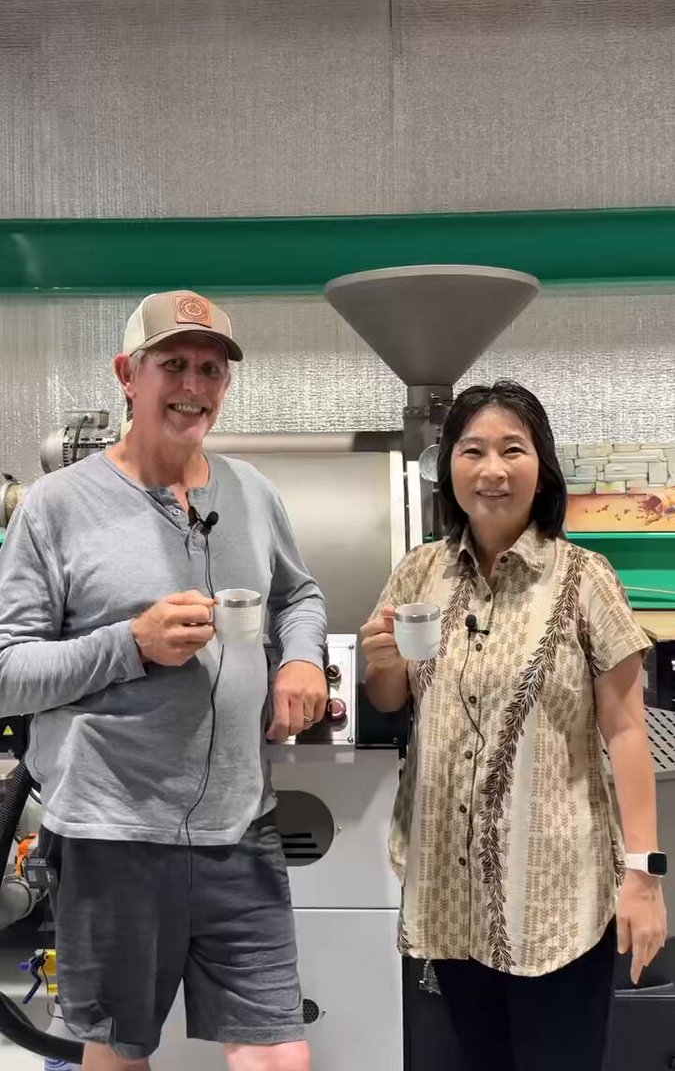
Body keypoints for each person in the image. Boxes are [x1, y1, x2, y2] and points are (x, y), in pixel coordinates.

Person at [0, 290, 328, 1071]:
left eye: (211, 370)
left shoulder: (250, 492)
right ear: (127, 374)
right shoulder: (55, 507)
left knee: (280, 1054)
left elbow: (299, 595)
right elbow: (9, 673)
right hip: (111, 834)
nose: (193, 385)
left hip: (239, 826)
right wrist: (131, 644)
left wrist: (301, 657)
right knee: (118, 1052)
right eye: (172, 364)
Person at [361, 380, 667, 1071]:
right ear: (449, 468)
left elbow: (626, 731)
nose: (491, 469)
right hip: (451, 896)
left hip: (557, 895)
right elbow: (393, 697)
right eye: (472, 451)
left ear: (541, 467)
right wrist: (380, 663)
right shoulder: (418, 574)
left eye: (512, 450)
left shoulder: (584, 577)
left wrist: (644, 876)